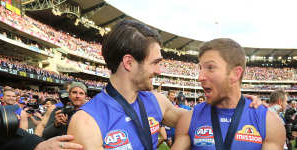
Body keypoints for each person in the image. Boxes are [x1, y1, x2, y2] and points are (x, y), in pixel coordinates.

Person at [68, 21, 263, 150]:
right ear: (128, 63)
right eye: (155, 62)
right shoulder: (86, 122)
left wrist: (237, 99)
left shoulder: (157, 102)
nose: (159, 70)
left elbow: (202, 119)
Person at [171, 38, 285, 150]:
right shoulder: (189, 119)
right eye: (200, 68)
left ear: (235, 74)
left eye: (210, 67)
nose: (200, 77)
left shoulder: (269, 122)